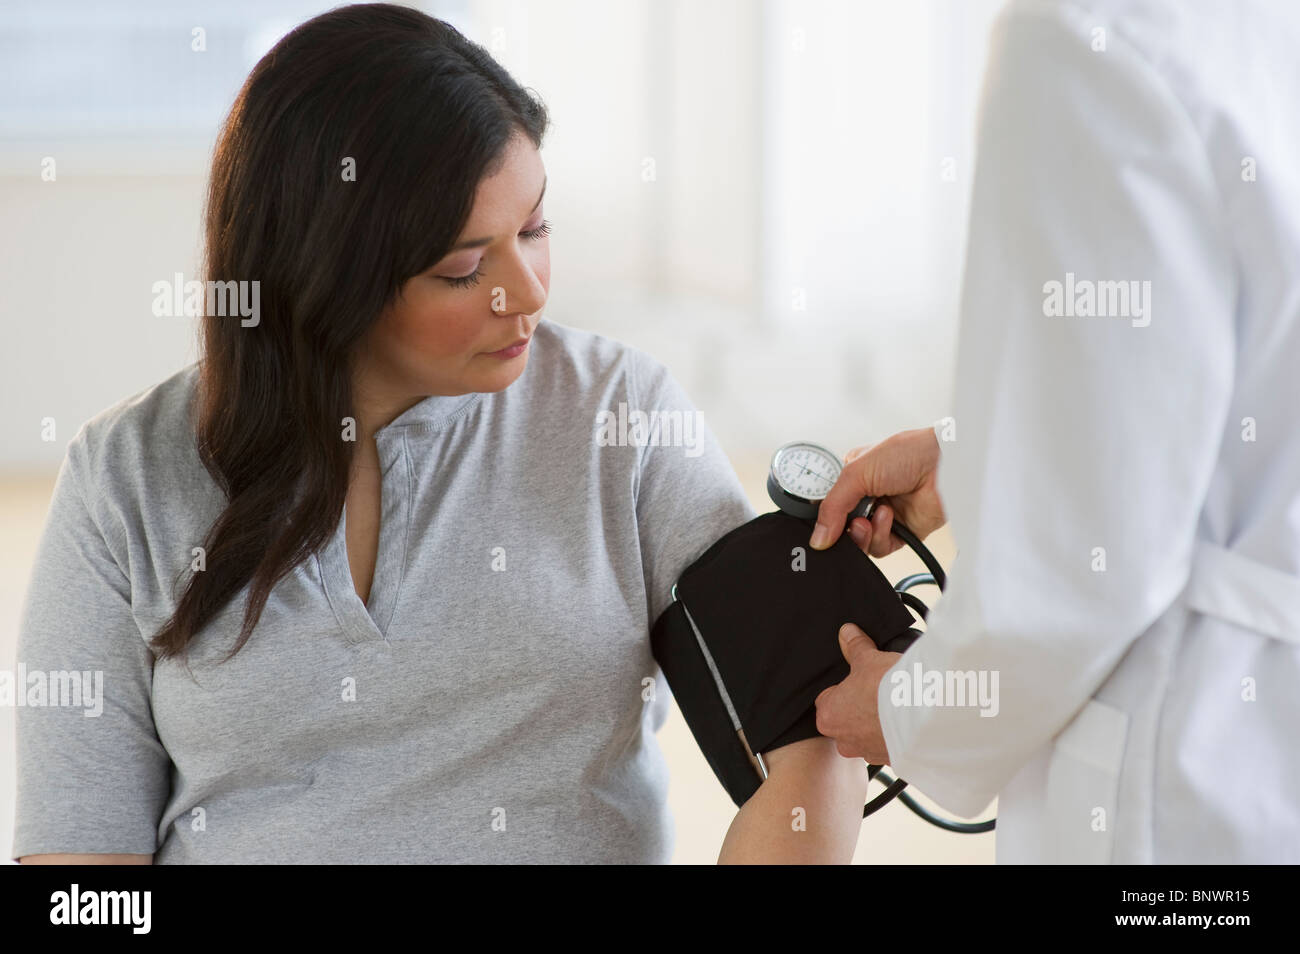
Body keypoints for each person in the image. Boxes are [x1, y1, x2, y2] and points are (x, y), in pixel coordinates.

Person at [12, 3, 867, 865]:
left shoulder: (623, 415)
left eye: (534, 228)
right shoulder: (123, 480)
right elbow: (77, 867)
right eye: (465, 269)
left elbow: (816, 736)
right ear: (324, 278)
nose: (528, 292)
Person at [811, 0, 1300, 863]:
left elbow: (1085, 570)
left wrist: (908, 708)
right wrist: (984, 454)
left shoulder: (1083, 37)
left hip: (1197, 789)